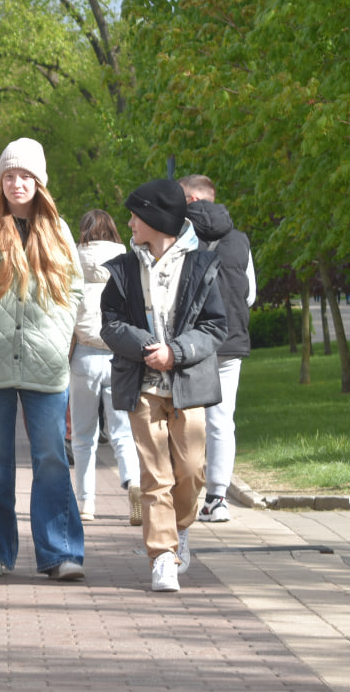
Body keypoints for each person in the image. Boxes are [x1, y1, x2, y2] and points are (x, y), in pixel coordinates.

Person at [0, 138, 85, 580]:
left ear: (39, 181)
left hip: (45, 363)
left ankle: (61, 553)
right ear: (0, 181)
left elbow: (76, 290)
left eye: (25, 175)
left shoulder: (59, 230)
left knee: (51, 459)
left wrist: (60, 335)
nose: (16, 183)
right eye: (9, 176)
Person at [100, 179, 227, 593]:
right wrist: (145, 347)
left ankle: (180, 527)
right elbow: (111, 324)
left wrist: (176, 352)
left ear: (155, 218)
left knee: (190, 471)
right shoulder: (123, 268)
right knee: (155, 476)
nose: (130, 223)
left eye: (135, 215)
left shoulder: (202, 265)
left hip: (189, 386)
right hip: (143, 387)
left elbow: (215, 326)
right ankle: (162, 557)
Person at [178, 174, 255, 524]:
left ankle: (184, 496)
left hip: (191, 340)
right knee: (222, 421)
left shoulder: (178, 235)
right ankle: (217, 499)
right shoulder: (240, 240)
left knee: (186, 418)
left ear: (192, 201)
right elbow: (250, 294)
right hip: (231, 338)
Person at [69, 209, 141, 524]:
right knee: (122, 431)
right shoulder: (127, 261)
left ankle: (86, 502)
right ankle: (133, 482)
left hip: (84, 354)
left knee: (83, 435)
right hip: (118, 355)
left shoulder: (73, 260)